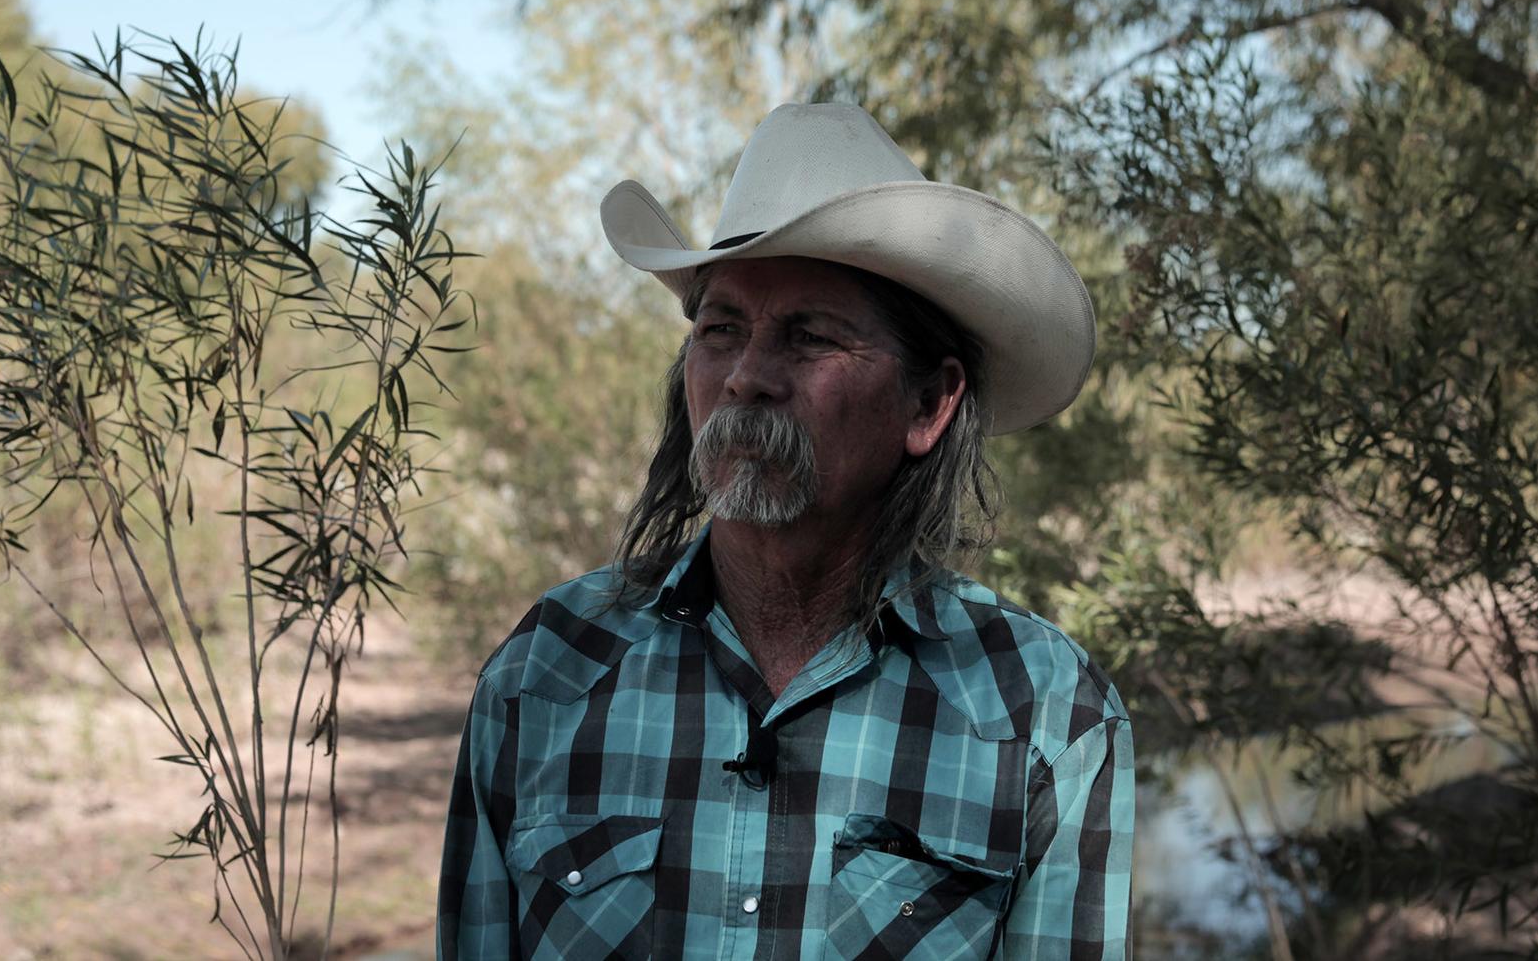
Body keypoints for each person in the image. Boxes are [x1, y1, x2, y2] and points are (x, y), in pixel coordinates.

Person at [437, 103, 1133, 959]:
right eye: (720, 328)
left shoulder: (1041, 713)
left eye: (809, 336)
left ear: (928, 403)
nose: (746, 378)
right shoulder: (547, 676)